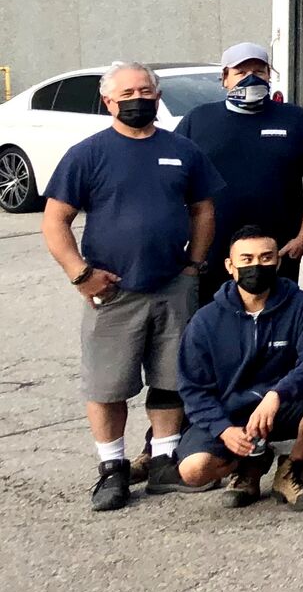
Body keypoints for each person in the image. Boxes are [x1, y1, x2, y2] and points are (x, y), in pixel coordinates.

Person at [40, 62, 221, 510]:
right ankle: (112, 469)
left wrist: (193, 265)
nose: (138, 99)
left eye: (145, 91)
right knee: (107, 385)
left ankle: (163, 462)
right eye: (127, 94)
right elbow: (55, 221)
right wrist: (81, 275)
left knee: (170, 379)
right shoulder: (88, 154)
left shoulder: (183, 150)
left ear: (157, 97)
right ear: (108, 102)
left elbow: (203, 210)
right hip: (112, 291)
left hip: (173, 286)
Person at [174, 226, 303, 511]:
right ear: (230, 266)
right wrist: (223, 429)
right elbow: (193, 388)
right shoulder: (205, 321)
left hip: (283, 405)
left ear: (277, 262)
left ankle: (291, 470)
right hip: (231, 414)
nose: (256, 266)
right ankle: (248, 464)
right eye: (246, 259)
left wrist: (278, 393)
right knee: (193, 471)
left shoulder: (300, 303)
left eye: (266, 258)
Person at [175, 41, 303, 299]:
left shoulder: (297, 120)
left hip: (277, 251)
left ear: (269, 75)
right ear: (224, 78)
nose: (251, 78)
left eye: (259, 71)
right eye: (241, 72)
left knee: (276, 315)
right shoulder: (197, 120)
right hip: (214, 250)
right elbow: (174, 183)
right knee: (214, 316)